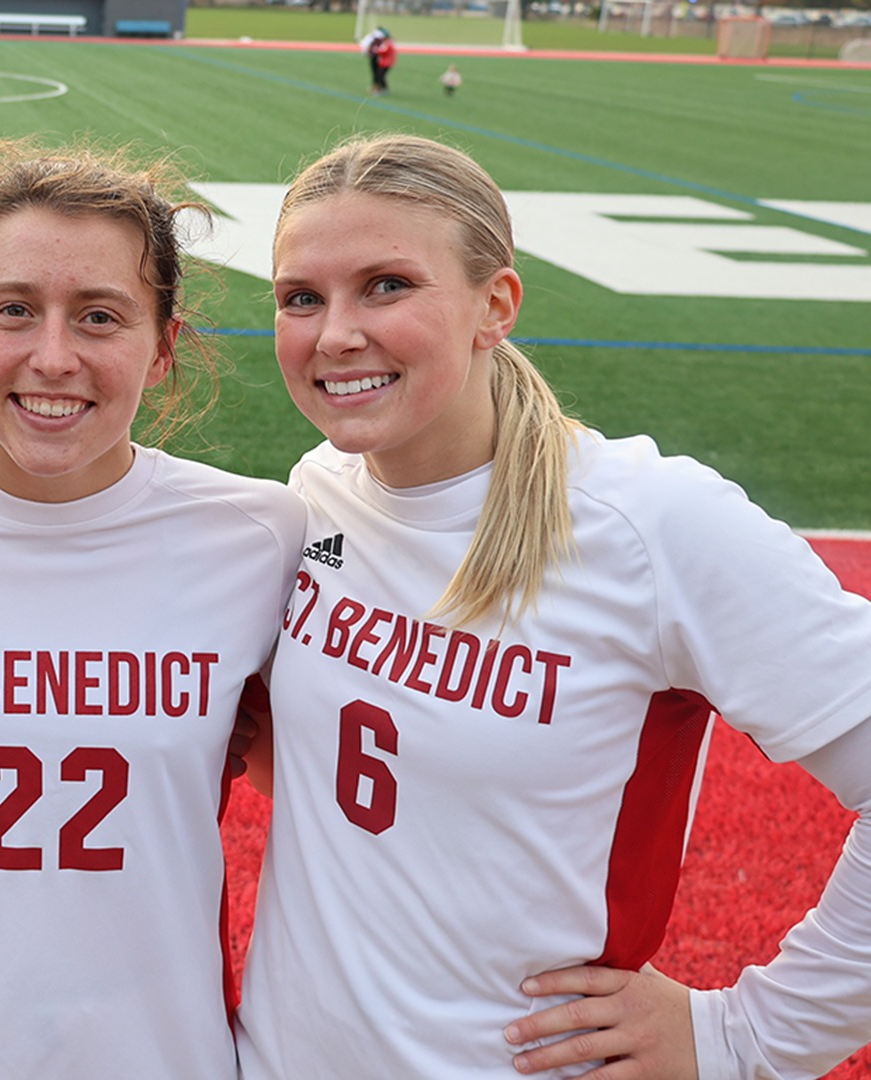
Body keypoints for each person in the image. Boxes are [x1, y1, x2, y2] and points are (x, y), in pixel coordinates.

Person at [234, 132, 871, 1078]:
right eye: (302, 297)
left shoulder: (649, 524)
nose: (334, 335)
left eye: (387, 285)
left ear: (496, 305)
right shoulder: (320, 489)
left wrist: (749, 1039)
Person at [0, 139, 306, 1078]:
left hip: (164, 1056)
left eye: (100, 317)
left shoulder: (262, 537)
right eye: (14, 310)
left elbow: (337, 773)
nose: (52, 356)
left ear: (163, 346)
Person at [364, 27, 395, 94]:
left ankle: (381, 88)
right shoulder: (384, 42)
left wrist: (375, 50)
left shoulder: (387, 43)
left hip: (385, 63)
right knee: (379, 75)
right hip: (383, 62)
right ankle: (379, 88)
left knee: (380, 75)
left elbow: (383, 51)